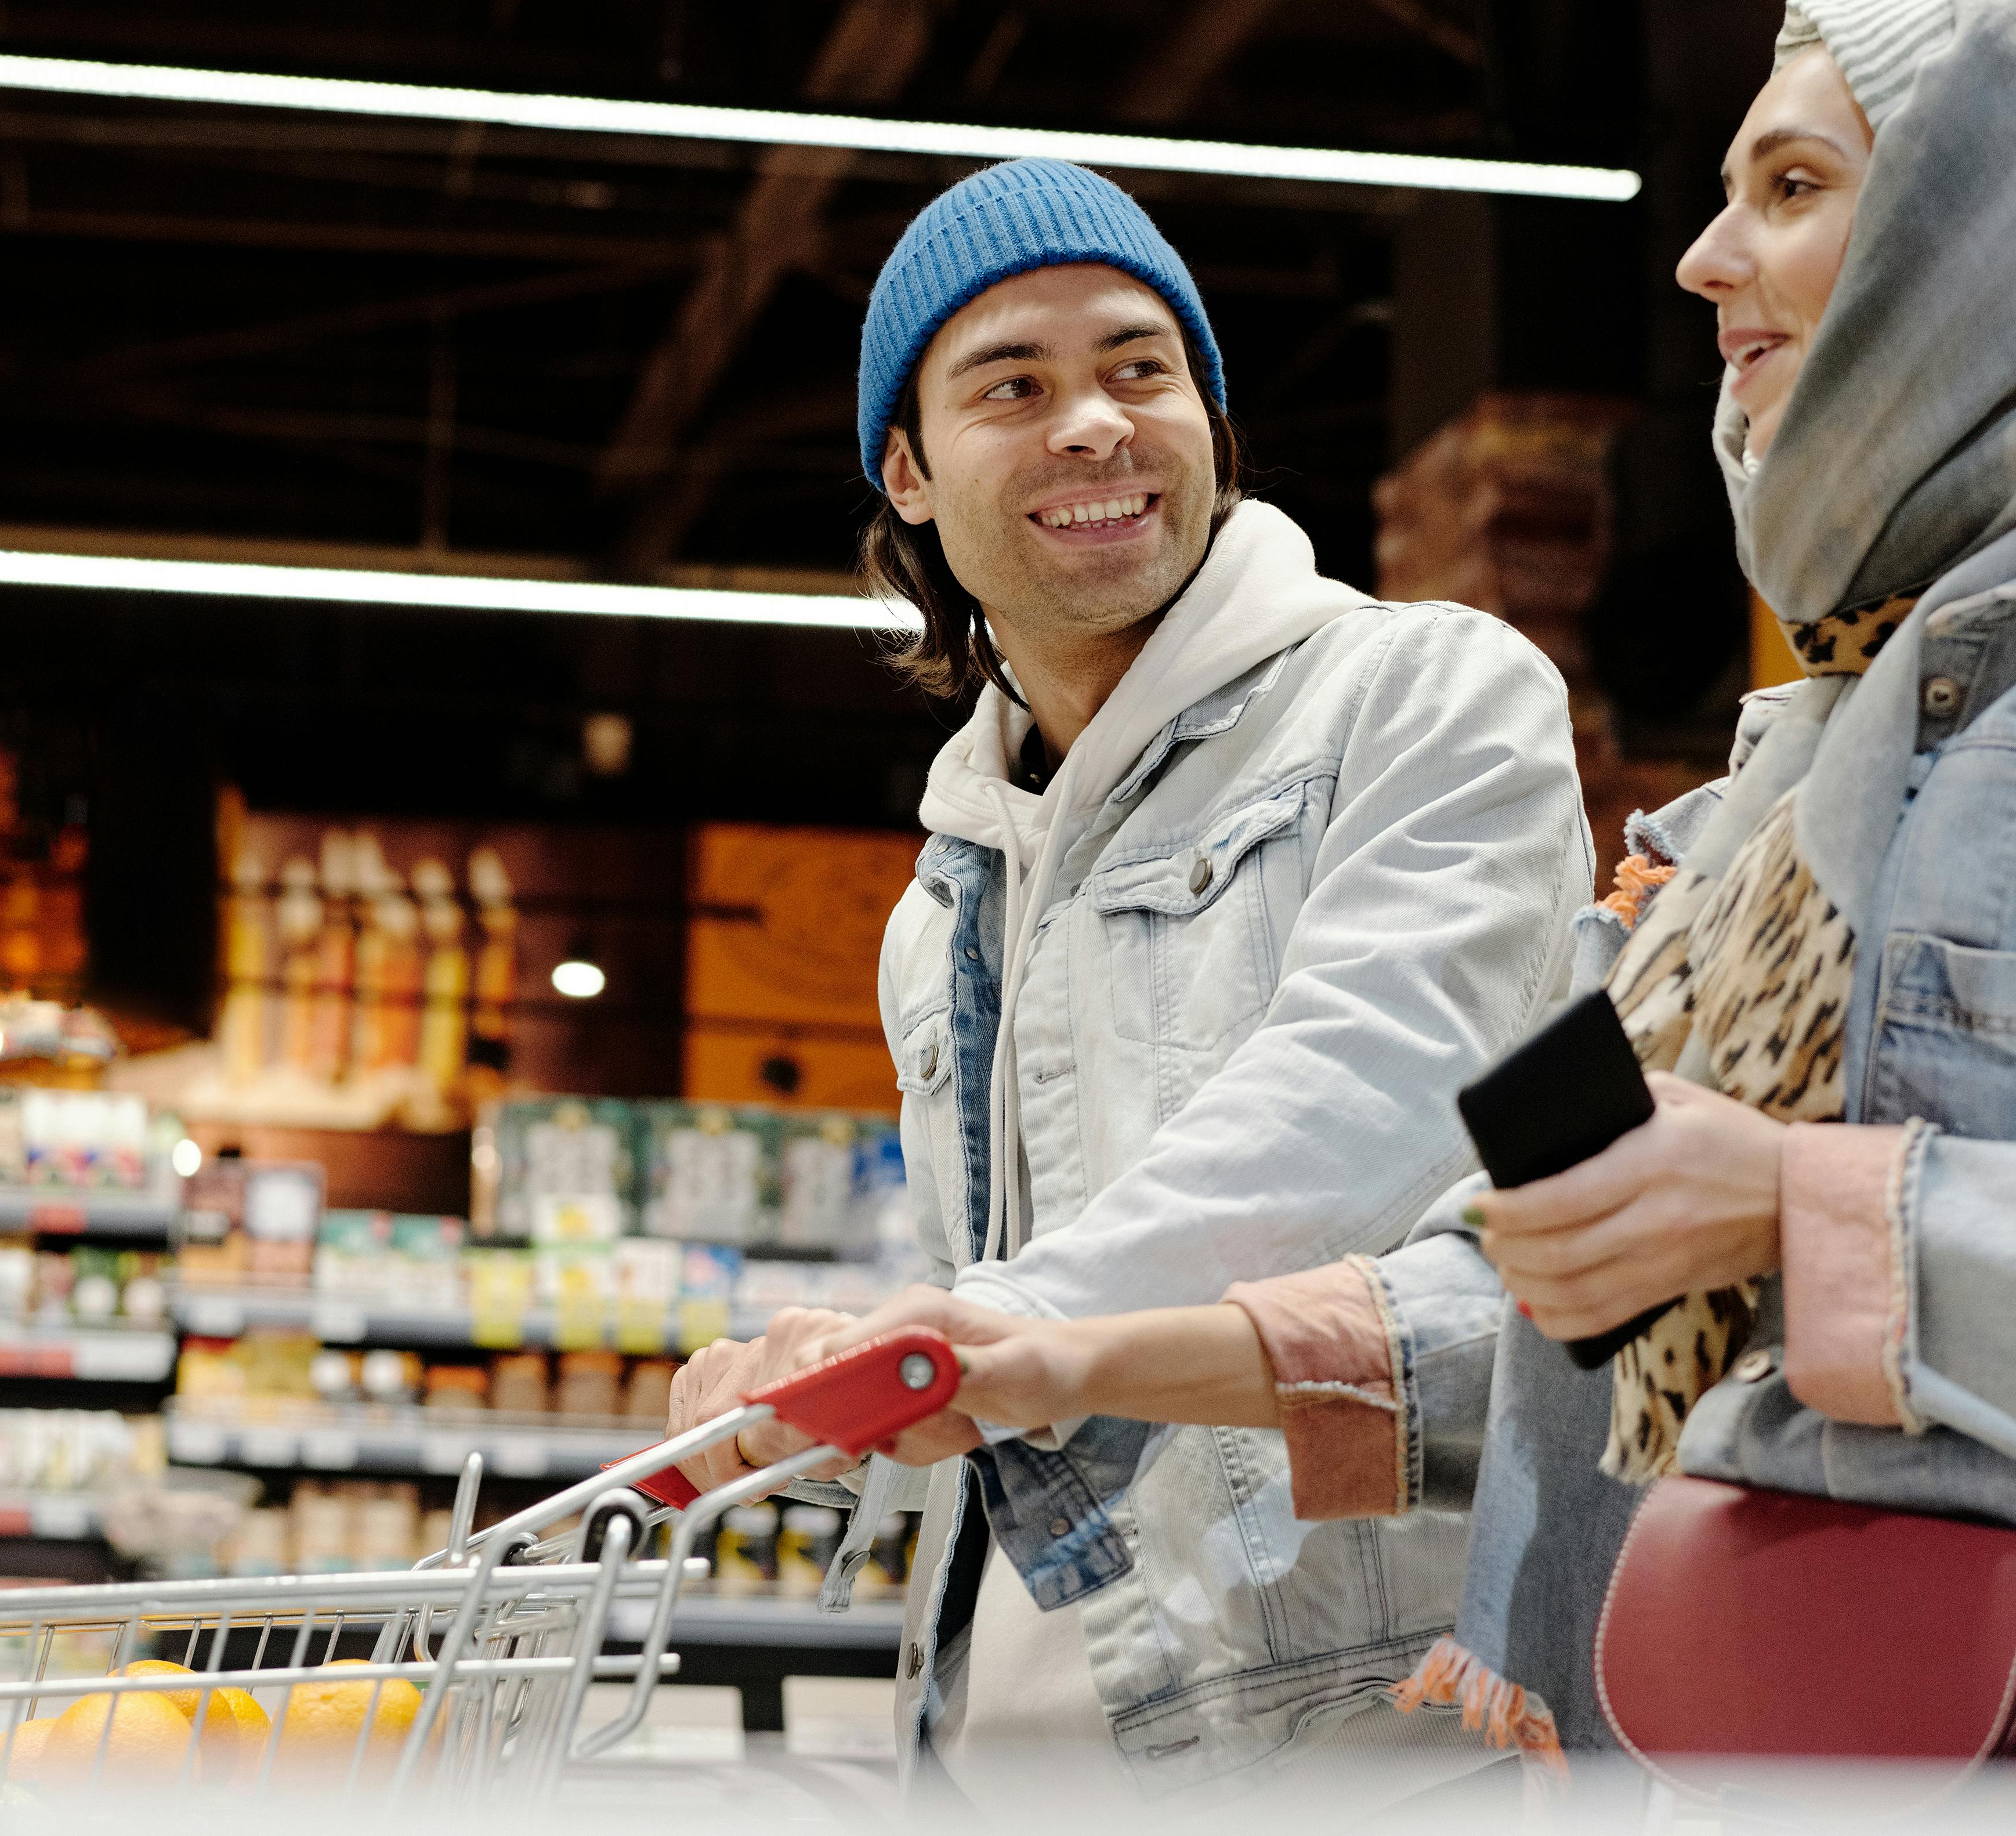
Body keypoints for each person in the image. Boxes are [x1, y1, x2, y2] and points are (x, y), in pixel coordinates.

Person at [827, 0, 2016, 1779]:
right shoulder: (1790, 788)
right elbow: (1513, 1281)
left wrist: (1796, 1213)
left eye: (1787, 190)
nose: (1698, 260)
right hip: (1775, 1742)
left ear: (1983, 253)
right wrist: (1068, 1365)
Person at [663, 157, 1591, 1805]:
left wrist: (992, 1329)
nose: (1092, 423)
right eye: (1011, 386)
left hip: (1351, 1732)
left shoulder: (1424, 697)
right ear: (908, 471)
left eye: (1137, 369)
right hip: (1018, 1733)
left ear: (1208, 424)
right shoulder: (946, 889)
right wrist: (830, 1406)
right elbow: (1000, 1332)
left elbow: (1370, 1096)